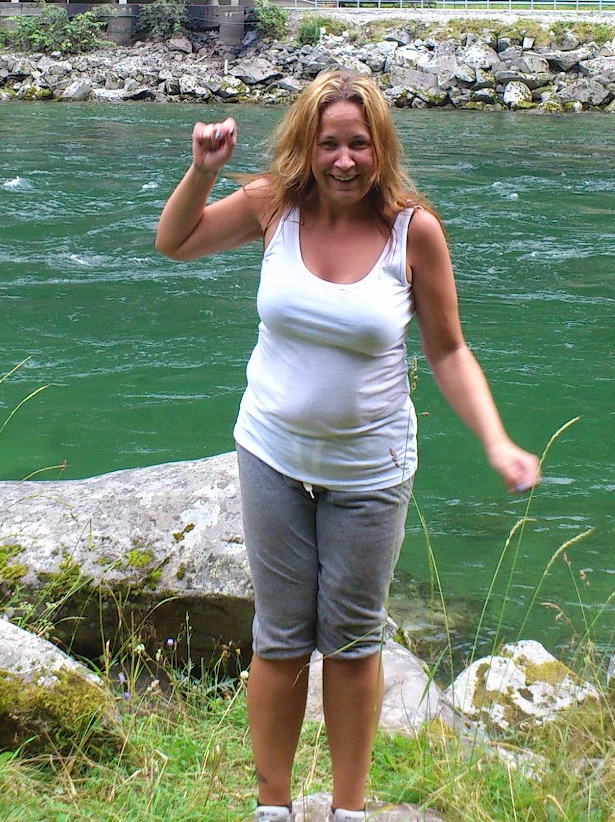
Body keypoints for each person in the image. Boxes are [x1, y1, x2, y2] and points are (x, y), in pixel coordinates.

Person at [154, 69, 541, 822]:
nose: (343, 160)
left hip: (371, 469)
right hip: (271, 454)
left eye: (359, 144)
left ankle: (348, 811)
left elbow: (449, 351)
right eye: (328, 143)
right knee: (279, 638)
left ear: (380, 148)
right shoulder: (272, 206)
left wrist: (497, 442)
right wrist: (202, 171)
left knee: (355, 643)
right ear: (306, 145)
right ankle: (272, 807)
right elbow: (176, 243)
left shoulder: (412, 231)